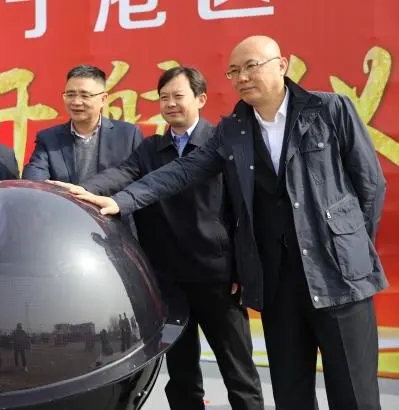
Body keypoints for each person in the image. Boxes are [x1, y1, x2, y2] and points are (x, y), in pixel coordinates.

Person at [71, 36, 387, 410]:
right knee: (291, 393)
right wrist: (119, 201)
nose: (242, 77)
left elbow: (370, 185)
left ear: (282, 65)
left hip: (338, 278)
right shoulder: (234, 129)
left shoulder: (329, 110)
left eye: (251, 66)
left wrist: (349, 249)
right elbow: (183, 171)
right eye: (234, 71)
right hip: (278, 283)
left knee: (354, 394)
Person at [51, 67, 263, 410]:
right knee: (181, 377)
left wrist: (242, 267)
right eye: (164, 98)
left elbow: (243, 210)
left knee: (238, 373)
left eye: (178, 96)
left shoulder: (221, 143)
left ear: (201, 99)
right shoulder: (151, 148)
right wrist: (81, 191)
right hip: (169, 282)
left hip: (218, 279)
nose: (170, 104)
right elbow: (122, 174)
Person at [22, 64, 144, 184]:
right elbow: (34, 178)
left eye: (85, 95)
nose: (76, 102)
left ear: (103, 99)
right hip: (63, 198)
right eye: (70, 95)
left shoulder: (128, 135)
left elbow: (142, 182)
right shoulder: (49, 138)